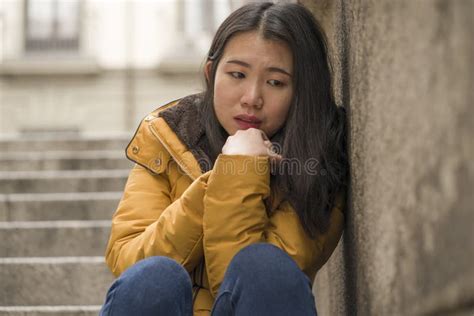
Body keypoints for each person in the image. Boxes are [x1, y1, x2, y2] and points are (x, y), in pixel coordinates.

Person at [100, 2, 348, 315]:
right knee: (153, 278)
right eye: (237, 74)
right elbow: (127, 259)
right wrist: (213, 184)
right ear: (211, 72)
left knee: (263, 267)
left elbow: (249, 284)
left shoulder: (317, 162)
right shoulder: (168, 139)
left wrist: (240, 171)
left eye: (275, 82)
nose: (252, 97)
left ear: (301, 91)